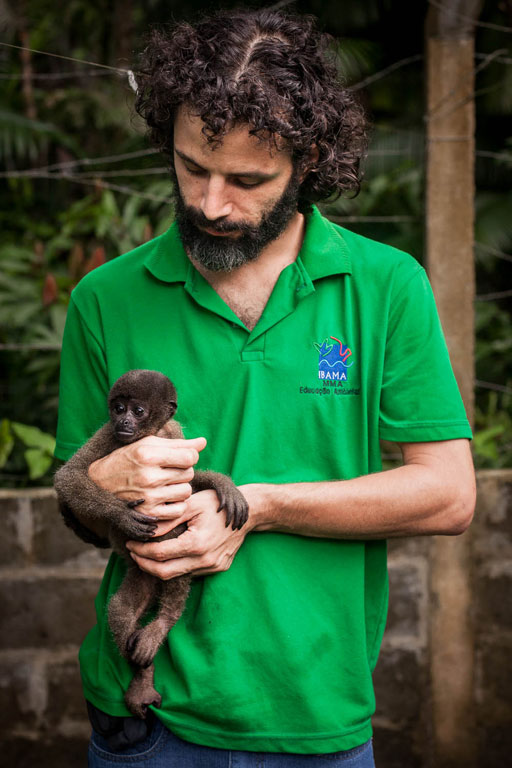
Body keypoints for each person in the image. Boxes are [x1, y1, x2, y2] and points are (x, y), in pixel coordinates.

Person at [55, 8, 475, 767]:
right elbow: (80, 519)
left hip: (316, 717)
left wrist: (262, 508)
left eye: (247, 180)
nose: (211, 203)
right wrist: (102, 489)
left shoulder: (386, 287)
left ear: (308, 160)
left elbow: (448, 494)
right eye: (191, 167)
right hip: (144, 725)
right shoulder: (105, 298)